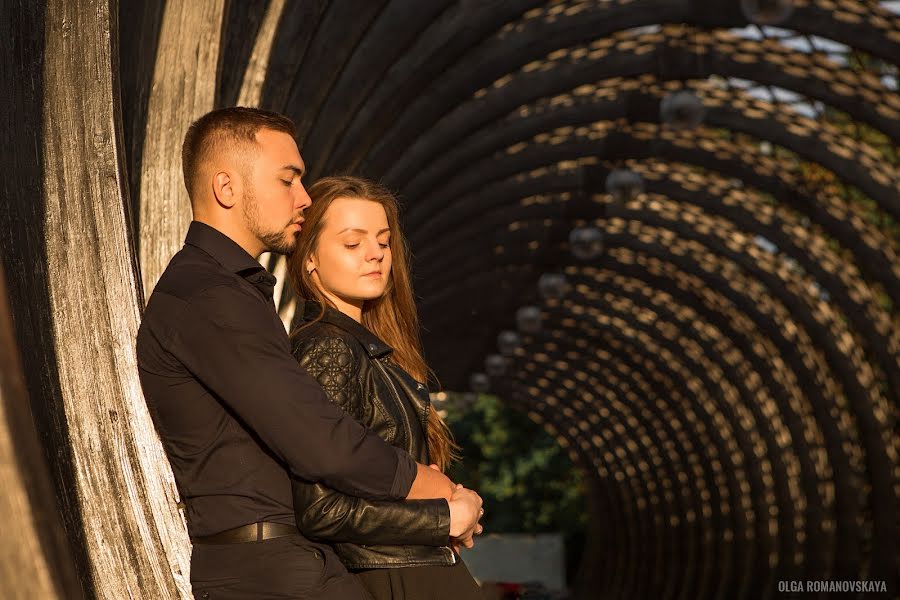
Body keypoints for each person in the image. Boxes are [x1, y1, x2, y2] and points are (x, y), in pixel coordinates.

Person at [136, 107, 482, 599]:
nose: (303, 197)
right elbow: (318, 439)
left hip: (285, 565)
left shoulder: (229, 292)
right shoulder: (209, 297)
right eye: (288, 180)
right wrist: (431, 492)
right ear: (226, 188)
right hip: (270, 572)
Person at [288, 175, 485, 600]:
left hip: (413, 570)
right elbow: (322, 510)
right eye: (353, 243)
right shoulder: (329, 348)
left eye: (383, 241)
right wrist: (444, 517)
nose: (376, 254)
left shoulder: (370, 349)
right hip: (392, 578)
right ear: (310, 259)